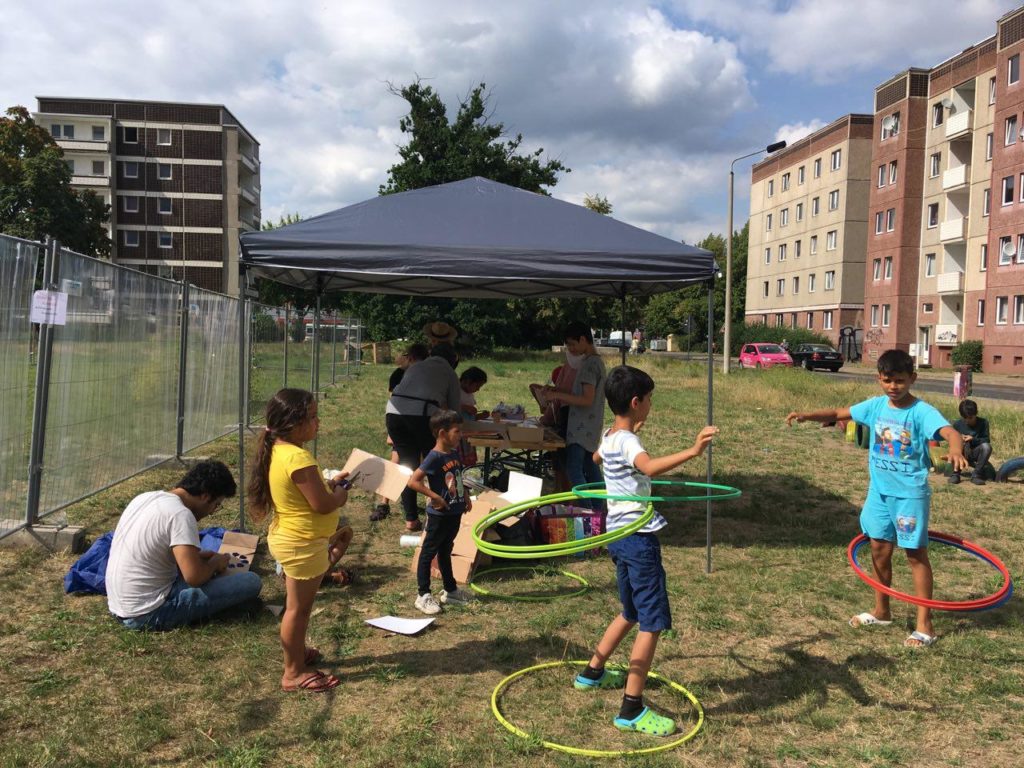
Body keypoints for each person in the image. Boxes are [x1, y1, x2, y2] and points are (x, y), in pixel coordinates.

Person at [786, 349, 968, 648]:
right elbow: (837, 414)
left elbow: (950, 432)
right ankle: (882, 611)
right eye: (887, 380)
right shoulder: (875, 406)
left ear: (912, 378)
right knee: (879, 549)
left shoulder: (921, 411)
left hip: (909, 495)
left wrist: (957, 450)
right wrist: (806, 415)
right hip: (879, 494)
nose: (893, 386)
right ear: (878, 379)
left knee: (914, 554)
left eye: (899, 380)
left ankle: (925, 626)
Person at [575, 366, 717, 736]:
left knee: (630, 611)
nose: (651, 405)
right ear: (637, 403)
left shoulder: (610, 435)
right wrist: (694, 449)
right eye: (650, 399)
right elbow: (649, 466)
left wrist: (623, 444)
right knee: (651, 621)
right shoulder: (628, 442)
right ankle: (631, 709)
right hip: (638, 538)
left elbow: (595, 459)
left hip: (617, 535)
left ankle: (592, 671)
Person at [248, 388, 352, 693]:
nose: (318, 422)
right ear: (293, 423)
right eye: (313, 417)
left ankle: (296, 652)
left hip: (293, 538)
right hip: (301, 544)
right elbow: (322, 505)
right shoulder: (298, 457)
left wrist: (330, 483)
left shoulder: (278, 450)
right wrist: (340, 494)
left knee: (297, 607)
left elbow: (303, 492)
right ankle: (293, 672)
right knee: (297, 609)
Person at [106, 461, 262, 631]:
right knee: (251, 581)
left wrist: (198, 558)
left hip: (119, 606)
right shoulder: (181, 514)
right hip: (147, 613)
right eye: (215, 505)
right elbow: (194, 577)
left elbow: (156, 551)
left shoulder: (145, 498)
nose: (211, 512)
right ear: (205, 496)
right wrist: (214, 564)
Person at [386, 343, 463, 531]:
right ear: (452, 361)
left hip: (393, 414)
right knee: (436, 462)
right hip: (421, 416)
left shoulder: (417, 366)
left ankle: (411, 519)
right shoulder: (449, 373)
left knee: (407, 466)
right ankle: (439, 509)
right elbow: (453, 411)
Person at [407, 410, 476, 615]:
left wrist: (464, 496)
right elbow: (413, 481)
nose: (460, 435)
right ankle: (423, 595)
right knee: (428, 552)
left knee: (446, 550)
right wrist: (435, 497)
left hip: (455, 512)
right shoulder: (434, 457)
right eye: (457, 431)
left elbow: (457, 475)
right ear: (442, 433)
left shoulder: (453, 453)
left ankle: (451, 590)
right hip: (439, 515)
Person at [545, 322, 606, 508]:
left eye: (572, 344)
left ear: (583, 339)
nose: (570, 350)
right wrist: (558, 389)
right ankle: (598, 509)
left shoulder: (589, 365)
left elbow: (587, 399)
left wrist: (556, 395)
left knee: (574, 469)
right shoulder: (594, 362)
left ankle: (586, 510)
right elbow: (581, 394)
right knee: (590, 467)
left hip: (581, 427)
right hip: (589, 426)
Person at [372, 343, 429, 522]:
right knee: (399, 464)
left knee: (409, 465)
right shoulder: (399, 374)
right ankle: (384, 503)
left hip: (410, 421)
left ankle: (417, 504)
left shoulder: (423, 374)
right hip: (403, 423)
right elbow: (394, 400)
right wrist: (391, 433)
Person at [950, 399, 992, 486]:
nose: (967, 421)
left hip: (976, 452)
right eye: (965, 418)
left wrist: (973, 439)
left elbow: (986, 440)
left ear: (976, 414)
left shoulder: (983, 423)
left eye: (970, 418)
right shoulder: (957, 424)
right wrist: (959, 438)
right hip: (962, 451)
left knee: (987, 447)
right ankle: (956, 474)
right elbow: (951, 442)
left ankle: (976, 475)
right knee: (956, 445)